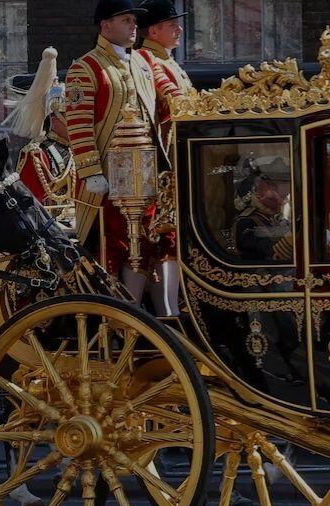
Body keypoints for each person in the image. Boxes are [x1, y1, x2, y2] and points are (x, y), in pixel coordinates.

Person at [65, 0, 180, 302]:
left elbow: (158, 114)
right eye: (126, 20)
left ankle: (143, 315)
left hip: (145, 174)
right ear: (105, 25)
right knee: (113, 246)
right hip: (107, 178)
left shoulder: (141, 63)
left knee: (145, 245)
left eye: (133, 21)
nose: (133, 27)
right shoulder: (85, 67)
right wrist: (91, 171)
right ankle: (116, 314)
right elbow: (79, 124)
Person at [135, 0, 192, 317]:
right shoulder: (147, 58)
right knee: (163, 241)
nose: (179, 29)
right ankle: (166, 312)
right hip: (163, 164)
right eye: (173, 24)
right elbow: (175, 100)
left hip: (177, 160)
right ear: (154, 30)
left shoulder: (166, 59)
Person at [5, 47, 74, 220]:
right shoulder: (37, 154)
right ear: (56, 118)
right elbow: (32, 206)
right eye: (71, 117)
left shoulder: (80, 150)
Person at [230, 156, 294, 262]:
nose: (284, 191)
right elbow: (269, 255)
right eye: (273, 186)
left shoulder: (278, 219)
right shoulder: (246, 222)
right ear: (259, 193)